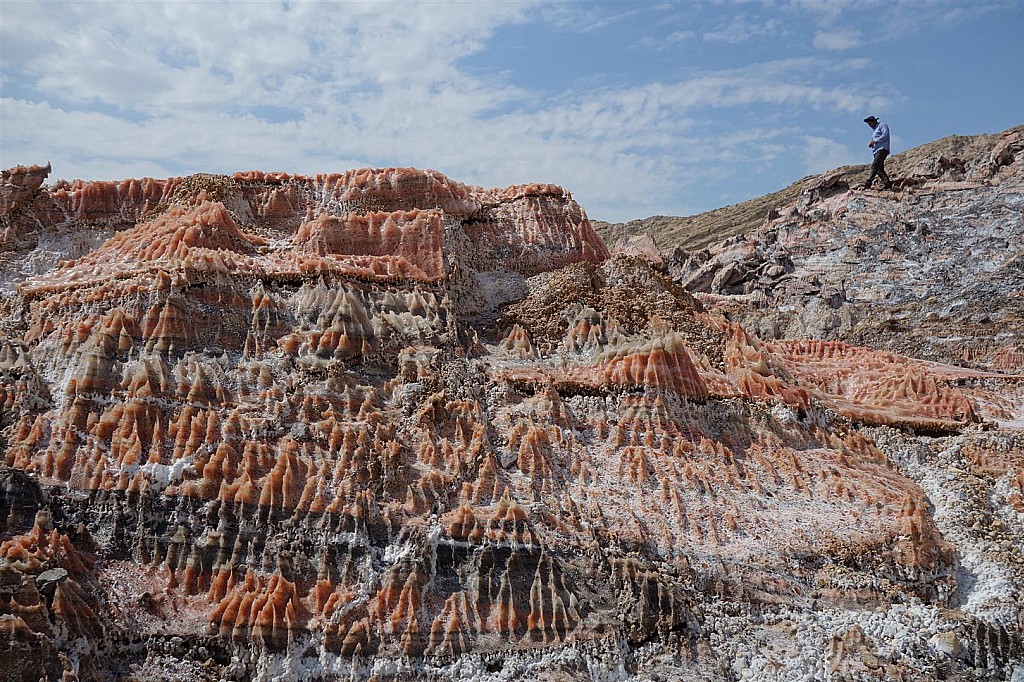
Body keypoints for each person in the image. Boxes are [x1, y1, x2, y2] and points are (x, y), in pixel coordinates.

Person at [862, 115, 892, 189]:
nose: (869, 125)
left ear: (874, 121)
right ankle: (887, 183)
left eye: (870, 123)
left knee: (875, 165)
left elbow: (885, 135)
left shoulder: (882, 125)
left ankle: (868, 182)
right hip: (876, 150)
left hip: (882, 149)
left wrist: (875, 141)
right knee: (879, 169)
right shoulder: (875, 130)